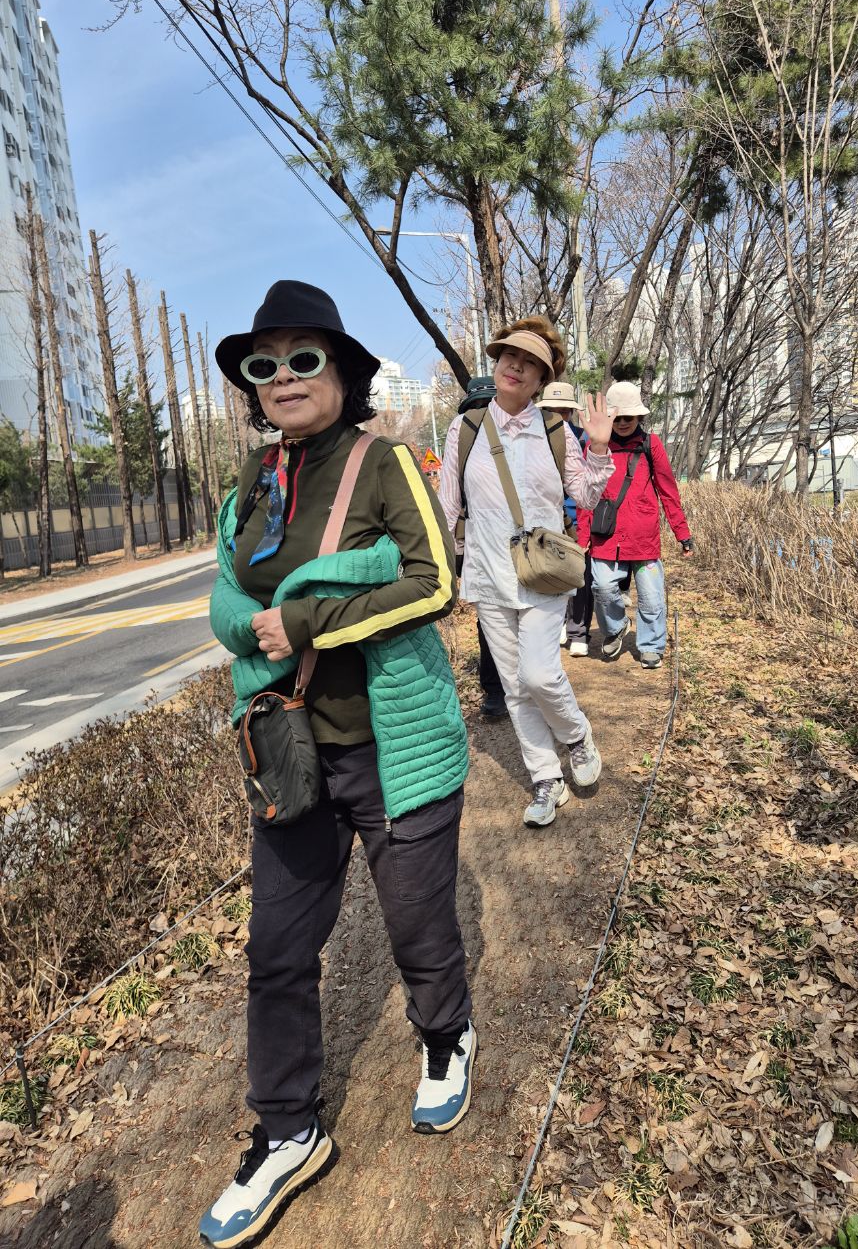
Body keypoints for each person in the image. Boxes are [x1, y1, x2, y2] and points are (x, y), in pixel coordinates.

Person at [202, 281, 474, 1248]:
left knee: (417, 924)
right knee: (276, 949)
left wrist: (308, 614)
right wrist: (255, 625)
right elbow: (226, 596)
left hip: (393, 746)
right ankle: (288, 1128)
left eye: (302, 357)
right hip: (289, 751)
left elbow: (434, 581)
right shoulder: (252, 481)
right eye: (263, 363)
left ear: (343, 371)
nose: (282, 376)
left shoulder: (384, 460)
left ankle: (446, 1035)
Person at [438, 315, 616, 829]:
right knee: (515, 687)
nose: (515, 366)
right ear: (496, 363)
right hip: (488, 573)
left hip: (541, 572)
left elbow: (585, 496)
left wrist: (598, 448)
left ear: (541, 378)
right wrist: (434, 564)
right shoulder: (465, 429)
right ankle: (546, 778)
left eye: (529, 363)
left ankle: (577, 736)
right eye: (508, 356)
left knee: (539, 673)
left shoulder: (555, 431)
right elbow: (447, 505)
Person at [576, 380, 693, 671]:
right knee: (602, 588)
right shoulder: (595, 446)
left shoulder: (651, 444)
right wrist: (582, 537)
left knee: (651, 598)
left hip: (644, 537)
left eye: (629, 416)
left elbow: (668, 490)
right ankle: (616, 628)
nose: (623, 423)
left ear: (639, 416)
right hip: (606, 535)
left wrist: (682, 533)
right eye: (617, 417)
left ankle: (651, 645)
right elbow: (585, 494)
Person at [456, 376, 509, 721]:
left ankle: (521, 684)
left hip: (520, 545)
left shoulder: (522, 436)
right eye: (474, 408)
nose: (480, 414)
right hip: (476, 544)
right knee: (489, 620)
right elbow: (450, 500)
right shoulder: (459, 440)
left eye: (487, 406)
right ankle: (495, 689)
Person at [535, 380, 594, 658]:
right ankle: (557, 623)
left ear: (571, 413)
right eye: (552, 411)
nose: (558, 416)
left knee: (580, 576)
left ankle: (578, 631)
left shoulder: (584, 439)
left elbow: (590, 486)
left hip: (577, 518)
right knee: (549, 575)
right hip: (543, 521)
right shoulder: (532, 439)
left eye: (564, 411)